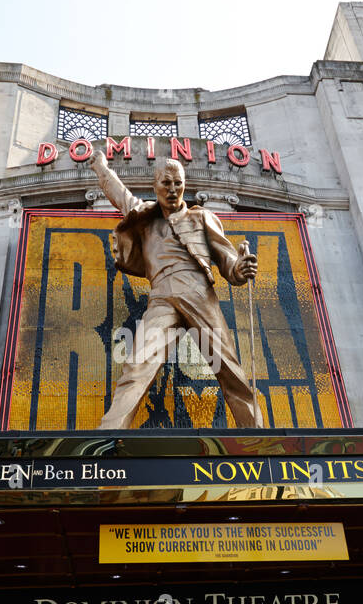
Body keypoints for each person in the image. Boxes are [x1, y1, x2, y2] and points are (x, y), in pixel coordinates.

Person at [88, 149, 263, 430]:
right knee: (138, 366)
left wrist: (239, 269)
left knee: (227, 368)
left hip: (198, 293)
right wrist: (100, 168)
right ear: (154, 186)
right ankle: (109, 432)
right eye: (166, 183)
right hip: (161, 297)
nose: (172, 190)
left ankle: (256, 434)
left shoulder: (201, 218)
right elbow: (118, 193)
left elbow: (227, 259)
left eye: (178, 183)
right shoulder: (144, 217)